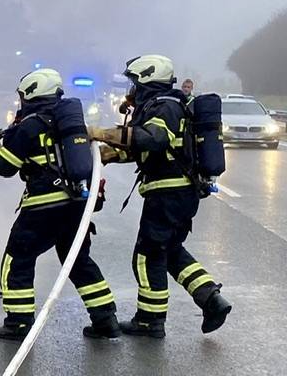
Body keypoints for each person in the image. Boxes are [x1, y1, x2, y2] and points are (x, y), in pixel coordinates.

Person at [89, 55, 232, 338]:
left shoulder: (164, 106)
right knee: (169, 251)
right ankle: (211, 299)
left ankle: (150, 321)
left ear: (147, 80)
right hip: (178, 194)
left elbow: (153, 138)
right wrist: (109, 154)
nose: (132, 88)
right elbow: (150, 149)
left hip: (168, 194)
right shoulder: (166, 104)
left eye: (135, 82)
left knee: (147, 256)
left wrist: (102, 133)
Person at [0, 68, 120, 341]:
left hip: (43, 206)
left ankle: (18, 323)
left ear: (31, 93)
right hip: (76, 204)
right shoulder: (69, 123)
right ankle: (106, 320)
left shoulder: (31, 124)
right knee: (78, 261)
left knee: (18, 258)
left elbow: (4, 167)